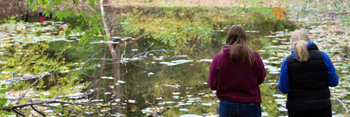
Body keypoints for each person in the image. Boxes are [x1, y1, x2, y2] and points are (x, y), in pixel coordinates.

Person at [207, 25, 266, 117]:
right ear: (244, 38)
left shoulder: (219, 59)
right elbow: (261, 78)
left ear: (229, 38)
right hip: (251, 105)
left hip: (227, 106)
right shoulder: (254, 56)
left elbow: (212, 84)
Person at [278, 30, 338, 117]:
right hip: (322, 108)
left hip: (297, 110)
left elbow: (283, 89)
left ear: (292, 43)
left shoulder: (287, 62)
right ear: (309, 40)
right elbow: (334, 82)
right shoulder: (323, 57)